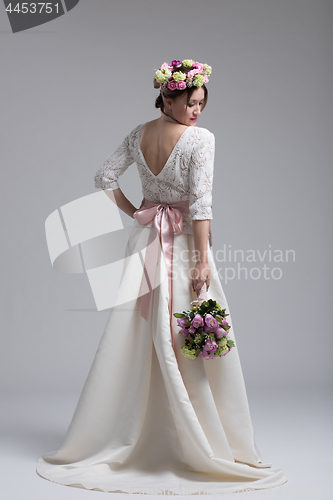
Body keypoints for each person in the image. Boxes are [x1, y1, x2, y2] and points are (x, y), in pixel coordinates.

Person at [36, 59, 288, 494]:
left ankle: (144, 431)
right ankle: (193, 440)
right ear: (167, 98)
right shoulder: (200, 141)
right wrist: (203, 258)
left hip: (146, 242)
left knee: (144, 334)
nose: (197, 112)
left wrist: (138, 212)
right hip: (184, 244)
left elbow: (104, 177)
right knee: (189, 331)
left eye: (202, 104)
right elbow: (202, 203)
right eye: (190, 102)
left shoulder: (139, 134)